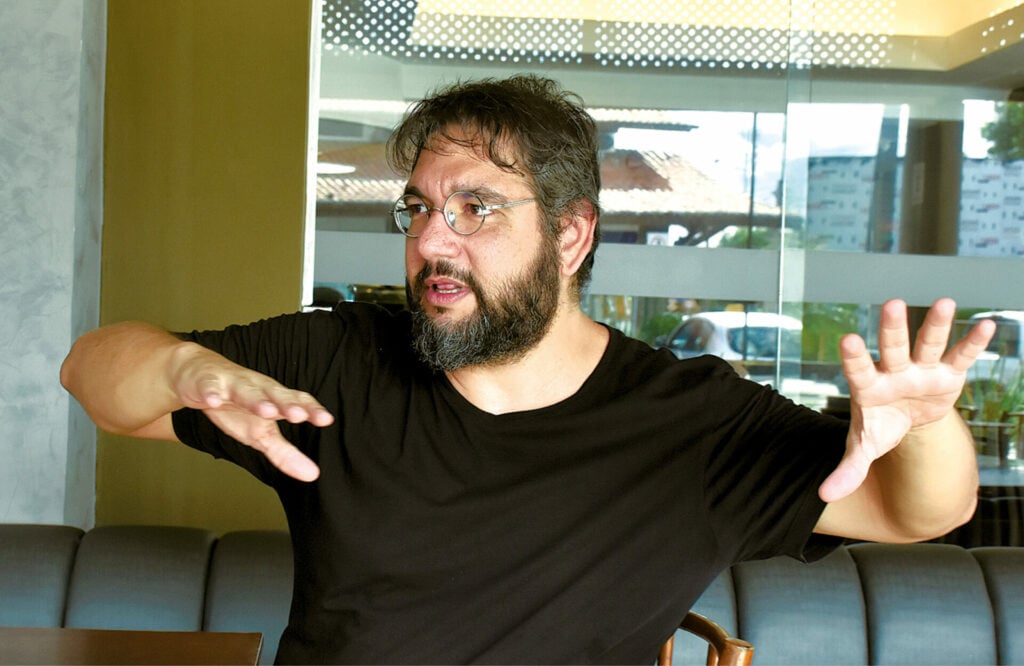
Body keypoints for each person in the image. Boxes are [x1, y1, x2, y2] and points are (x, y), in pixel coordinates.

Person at [61, 74, 995, 664]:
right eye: (419, 209)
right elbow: (92, 376)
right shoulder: (340, 362)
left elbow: (924, 512)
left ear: (571, 234)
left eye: (476, 208)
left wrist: (925, 425)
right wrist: (180, 366)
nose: (432, 241)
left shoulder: (694, 423)